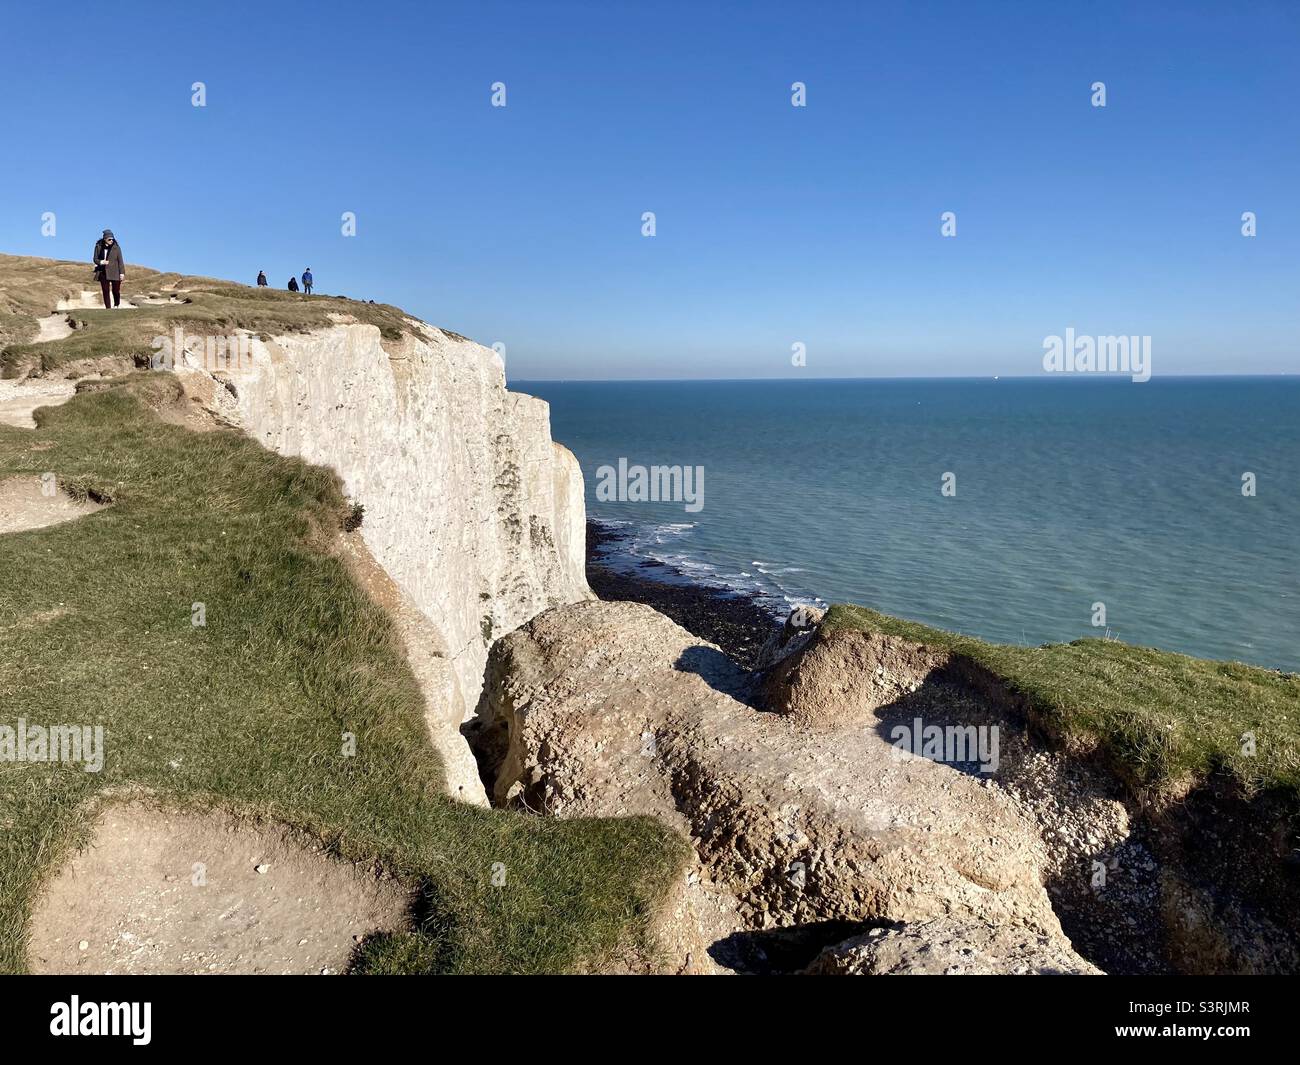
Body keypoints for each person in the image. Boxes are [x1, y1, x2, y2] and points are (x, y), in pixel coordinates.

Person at [92, 229, 126, 309]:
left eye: (112, 239)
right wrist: (101, 262)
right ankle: (108, 308)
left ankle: (116, 304)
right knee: (105, 291)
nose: (111, 240)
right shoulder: (98, 246)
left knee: (116, 291)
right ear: (105, 239)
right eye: (109, 239)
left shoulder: (116, 248)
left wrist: (122, 273)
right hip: (103, 272)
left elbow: (120, 261)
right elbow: (95, 259)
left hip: (115, 272)